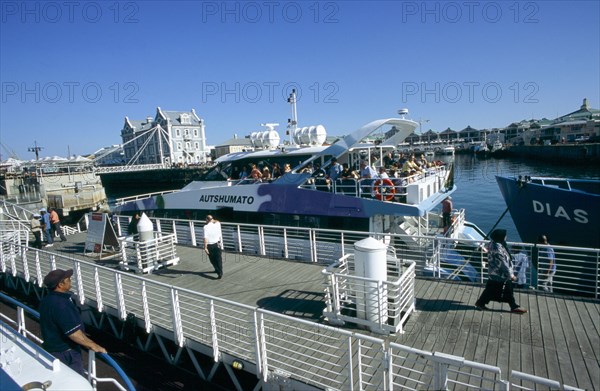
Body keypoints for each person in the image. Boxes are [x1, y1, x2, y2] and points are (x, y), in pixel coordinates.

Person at [39, 269, 107, 376]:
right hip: (66, 354)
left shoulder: (47, 300)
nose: (70, 281)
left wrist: (90, 342)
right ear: (60, 284)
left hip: (52, 349)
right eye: (68, 279)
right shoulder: (61, 305)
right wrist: (94, 346)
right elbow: (73, 333)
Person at [475, 229, 527, 314]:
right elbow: (503, 263)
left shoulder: (492, 244)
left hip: (493, 272)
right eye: (504, 236)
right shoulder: (498, 249)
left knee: (491, 288)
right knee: (507, 288)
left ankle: (481, 302)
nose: (506, 237)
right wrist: (511, 275)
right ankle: (513, 306)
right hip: (500, 274)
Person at [203, 215, 223, 279]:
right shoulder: (217, 224)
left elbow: (206, 238)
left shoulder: (206, 227)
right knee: (219, 259)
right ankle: (220, 271)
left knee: (212, 260)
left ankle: (218, 271)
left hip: (210, 245)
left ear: (207, 220)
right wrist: (212, 220)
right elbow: (217, 221)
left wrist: (205, 247)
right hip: (218, 244)